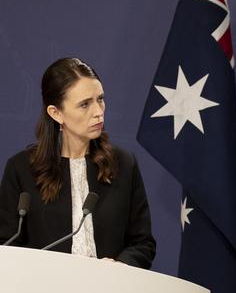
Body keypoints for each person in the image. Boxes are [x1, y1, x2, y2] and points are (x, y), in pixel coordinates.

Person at [0, 58, 156, 268]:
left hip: (110, 291)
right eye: (85, 104)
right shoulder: (21, 169)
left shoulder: (124, 165)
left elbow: (142, 242)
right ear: (56, 113)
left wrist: (120, 266)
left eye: (100, 99)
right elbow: (7, 245)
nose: (98, 112)